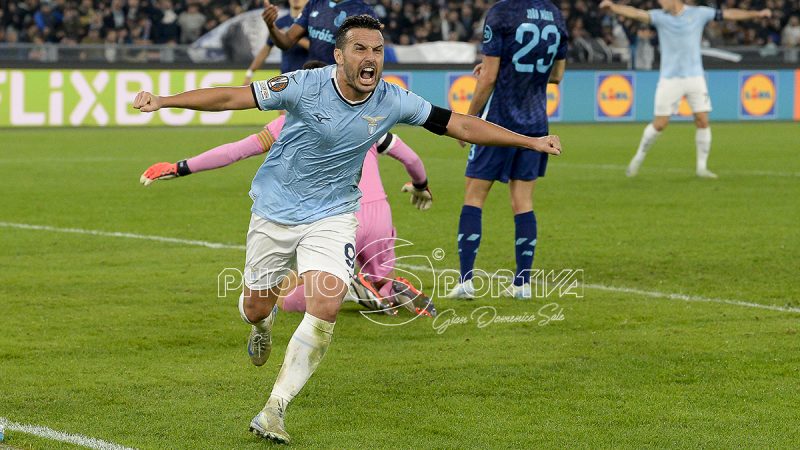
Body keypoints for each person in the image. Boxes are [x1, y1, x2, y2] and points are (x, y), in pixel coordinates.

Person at [132, 15, 561, 444]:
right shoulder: (303, 85)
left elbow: (460, 124)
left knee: (327, 304)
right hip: (276, 211)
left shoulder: (392, 100)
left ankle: (274, 409)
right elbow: (231, 97)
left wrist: (529, 140)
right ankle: (262, 327)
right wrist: (165, 101)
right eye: (360, 49)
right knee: (256, 308)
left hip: (334, 214)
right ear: (339, 56)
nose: (370, 58)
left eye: (377, 50)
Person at [139, 62, 437, 319]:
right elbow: (410, 157)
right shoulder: (368, 118)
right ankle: (383, 287)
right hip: (380, 215)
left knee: (289, 298)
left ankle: (351, 289)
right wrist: (421, 186)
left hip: (335, 216)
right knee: (378, 282)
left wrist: (181, 167)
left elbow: (234, 152)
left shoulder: (286, 124)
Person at [446, 0, 568, 300]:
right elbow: (556, 76)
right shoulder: (554, 14)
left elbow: (487, 79)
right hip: (536, 124)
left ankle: (466, 281)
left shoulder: (502, 12)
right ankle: (522, 284)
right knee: (523, 201)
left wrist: (469, 119)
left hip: (498, 123)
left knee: (474, 196)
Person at [600, 0, 772, 179]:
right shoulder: (659, 17)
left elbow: (728, 14)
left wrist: (756, 14)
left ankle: (701, 168)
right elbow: (635, 13)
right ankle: (638, 157)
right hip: (670, 78)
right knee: (660, 124)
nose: (660, 2)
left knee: (703, 120)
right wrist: (613, 7)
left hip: (695, 77)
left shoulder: (699, 13)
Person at [243, 0, 310, 85]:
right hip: (286, 79)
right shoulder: (280, 22)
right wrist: (249, 73)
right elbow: (266, 49)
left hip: (307, 79)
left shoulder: (313, 22)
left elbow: (318, 47)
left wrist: (290, 37)